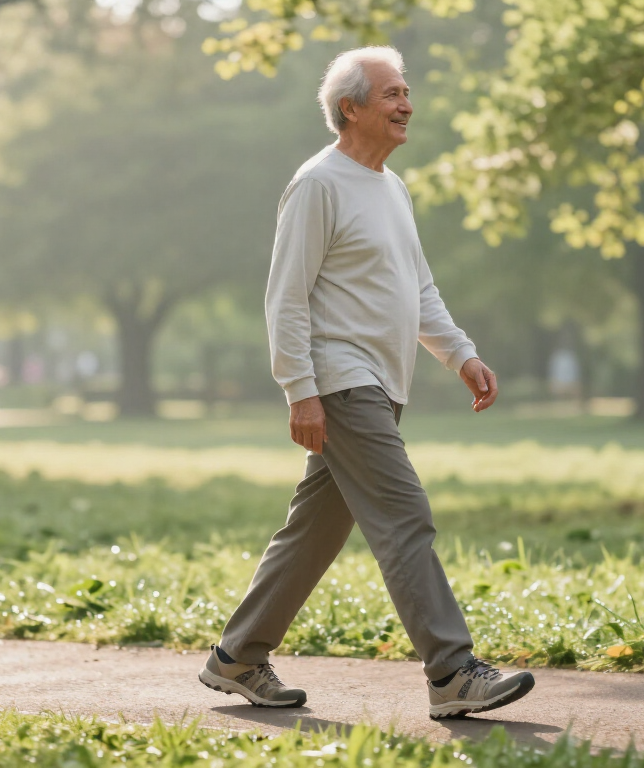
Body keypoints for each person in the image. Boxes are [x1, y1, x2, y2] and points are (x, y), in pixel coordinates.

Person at [198, 46, 534, 720]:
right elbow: (285, 298)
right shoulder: (318, 184)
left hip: (383, 383)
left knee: (314, 532)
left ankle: (237, 657)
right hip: (342, 381)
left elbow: (418, 290)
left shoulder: (391, 188)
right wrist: (300, 389)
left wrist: (461, 355)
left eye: (407, 92)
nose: (407, 104)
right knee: (405, 517)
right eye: (391, 94)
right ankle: (452, 671)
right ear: (350, 108)